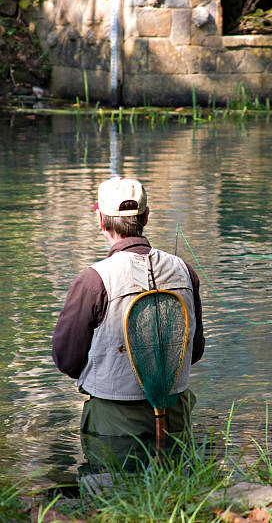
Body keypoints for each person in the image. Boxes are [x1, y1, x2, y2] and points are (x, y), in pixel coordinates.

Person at [52, 176, 204, 452]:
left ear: (101, 220)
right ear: (146, 215)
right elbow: (194, 352)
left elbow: (67, 360)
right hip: (176, 413)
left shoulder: (92, 280)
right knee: (178, 487)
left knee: (112, 489)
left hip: (113, 420)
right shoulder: (185, 270)